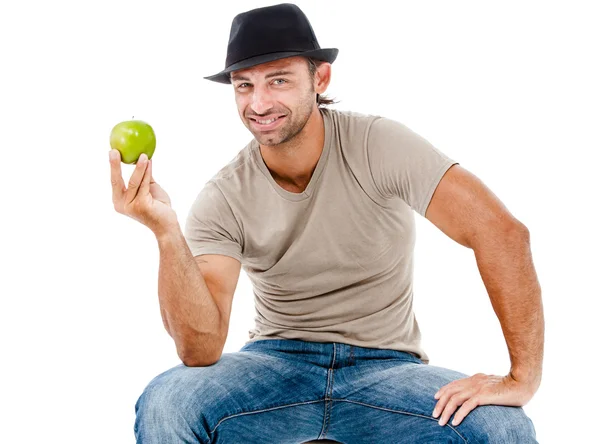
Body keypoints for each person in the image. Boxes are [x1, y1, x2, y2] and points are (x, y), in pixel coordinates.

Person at [109, 3, 543, 443]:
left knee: (501, 428)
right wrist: (165, 232)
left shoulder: (379, 145)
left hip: (387, 370)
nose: (259, 103)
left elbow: (501, 232)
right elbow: (200, 350)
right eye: (244, 86)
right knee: (168, 401)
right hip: (274, 366)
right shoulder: (224, 195)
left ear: (320, 79)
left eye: (278, 80)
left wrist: (521, 377)